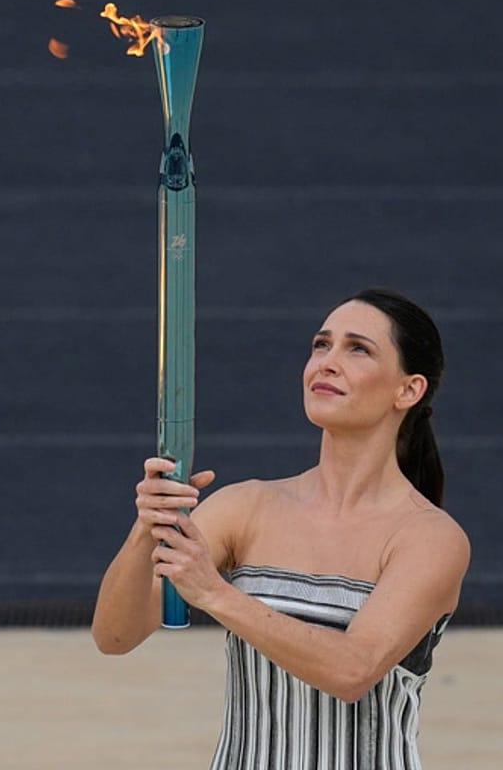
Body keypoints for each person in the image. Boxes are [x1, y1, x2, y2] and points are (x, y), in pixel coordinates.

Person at [91, 288, 471, 770]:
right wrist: (147, 526)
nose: (327, 363)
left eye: (358, 348)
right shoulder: (247, 507)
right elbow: (115, 636)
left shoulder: (430, 538)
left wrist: (216, 593)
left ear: (408, 390)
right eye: (321, 344)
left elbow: (352, 669)